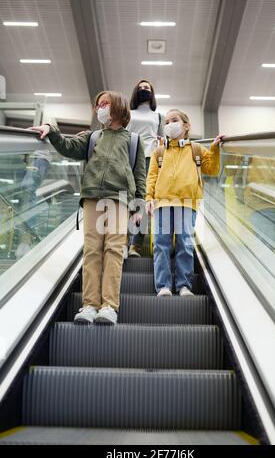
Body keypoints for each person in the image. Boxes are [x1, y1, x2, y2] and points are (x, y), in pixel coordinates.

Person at [30, 91, 146, 324]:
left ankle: (109, 306)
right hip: (92, 197)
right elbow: (68, 147)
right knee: (92, 250)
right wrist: (52, 131)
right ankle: (90, 305)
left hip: (120, 198)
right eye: (98, 105)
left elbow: (139, 176)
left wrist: (139, 208)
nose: (99, 108)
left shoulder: (133, 141)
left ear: (119, 108)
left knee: (114, 250)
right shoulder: (92, 137)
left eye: (105, 104)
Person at [145, 108, 222, 297]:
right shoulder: (159, 152)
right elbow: (152, 176)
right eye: (167, 122)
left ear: (186, 125)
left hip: (187, 203)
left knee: (185, 244)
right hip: (163, 203)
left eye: (175, 120)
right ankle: (163, 286)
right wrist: (148, 198)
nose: (170, 124)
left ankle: (183, 286)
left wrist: (215, 148)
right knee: (161, 244)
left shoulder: (196, 149)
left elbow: (211, 169)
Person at [127, 79, 164, 257]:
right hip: (129, 156)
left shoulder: (158, 116)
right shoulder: (128, 113)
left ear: (152, 92)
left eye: (147, 88)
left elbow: (163, 139)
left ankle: (135, 245)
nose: (143, 90)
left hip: (149, 158)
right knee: (126, 197)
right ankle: (122, 241)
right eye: (140, 87)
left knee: (142, 199)